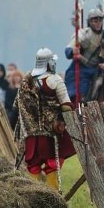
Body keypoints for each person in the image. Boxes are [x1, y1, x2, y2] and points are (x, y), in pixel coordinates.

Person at [14, 48, 76, 191]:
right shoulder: (55, 80)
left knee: (33, 165)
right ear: (49, 63)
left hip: (30, 133)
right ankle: (52, 195)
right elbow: (66, 105)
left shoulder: (26, 82)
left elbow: (18, 106)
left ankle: (32, 194)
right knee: (52, 163)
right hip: (51, 133)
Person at [64, 8, 104, 105]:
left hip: (97, 70)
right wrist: (73, 51)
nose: (98, 23)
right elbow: (68, 50)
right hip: (82, 69)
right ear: (90, 22)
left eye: (100, 20)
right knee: (79, 93)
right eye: (95, 21)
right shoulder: (83, 34)